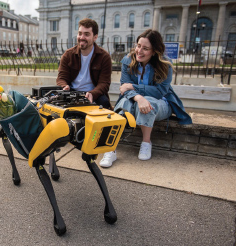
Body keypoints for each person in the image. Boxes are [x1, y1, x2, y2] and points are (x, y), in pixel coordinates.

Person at [100, 29, 192, 168]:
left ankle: (146, 142)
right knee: (125, 103)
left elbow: (160, 91)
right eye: (138, 46)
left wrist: (133, 87)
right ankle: (111, 149)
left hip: (161, 103)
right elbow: (124, 89)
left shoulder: (164, 65)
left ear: (154, 51)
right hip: (134, 101)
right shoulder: (127, 61)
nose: (139, 51)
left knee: (148, 103)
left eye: (145, 48)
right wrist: (138, 97)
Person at [56, 18, 112, 109]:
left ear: (95, 37)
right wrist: (64, 86)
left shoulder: (104, 57)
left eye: (86, 34)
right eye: (80, 33)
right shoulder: (68, 55)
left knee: (104, 103)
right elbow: (61, 77)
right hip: (72, 91)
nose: (82, 37)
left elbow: (104, 83)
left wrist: (92, 94)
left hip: (94, 93)